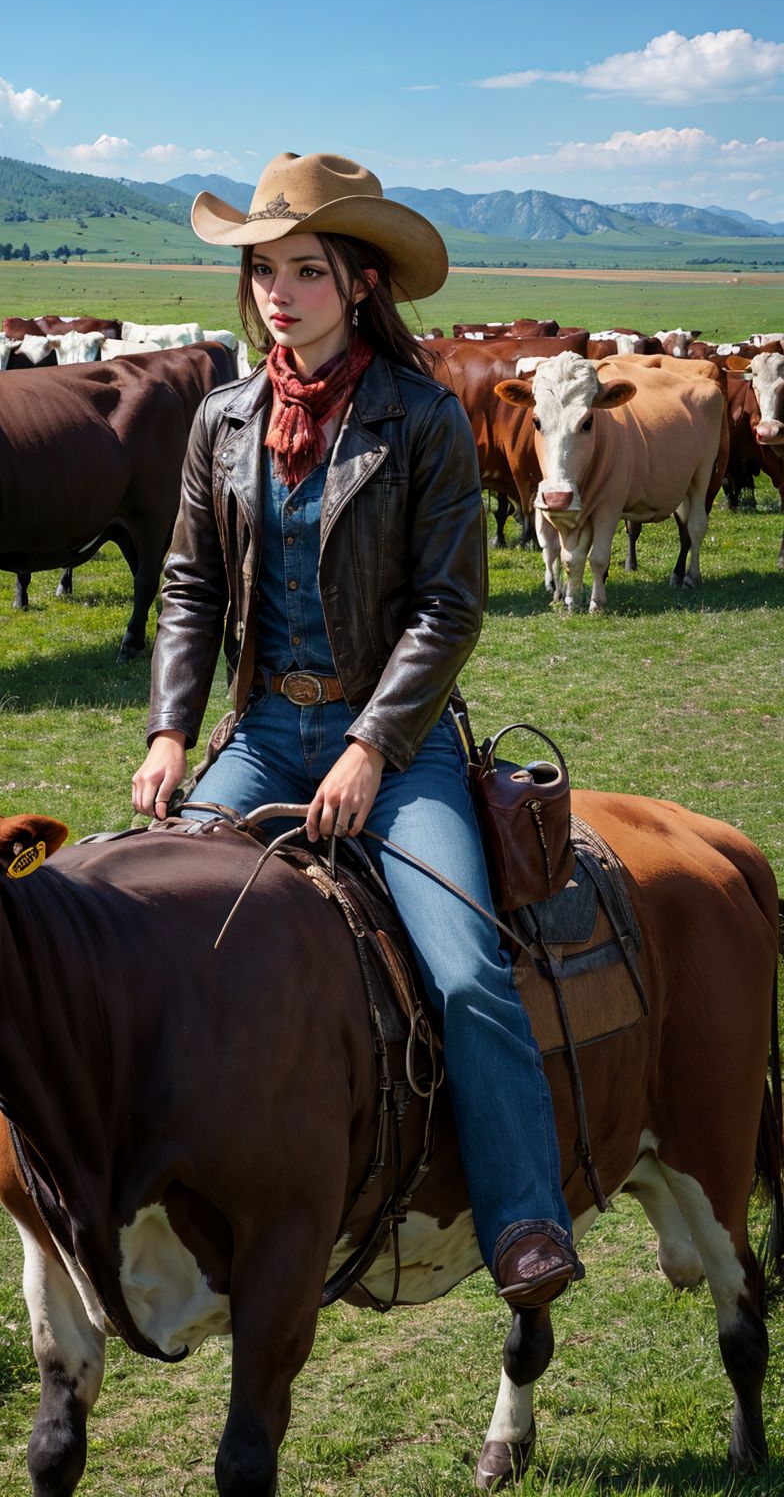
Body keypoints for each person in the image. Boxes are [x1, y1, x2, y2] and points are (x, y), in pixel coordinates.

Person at [131, 152, 582, 1307]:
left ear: (360, 284)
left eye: (307, 271)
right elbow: (188, 588)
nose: (279, 294)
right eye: (265, 271)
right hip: (255, 736)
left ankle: (525, 1213)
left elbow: (449, 606)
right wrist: (171, 734)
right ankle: (154, 1187)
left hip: (401, 743)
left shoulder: (423, 419)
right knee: (134, 929)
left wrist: (372, 746)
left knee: (465, 968)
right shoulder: (222, 422)